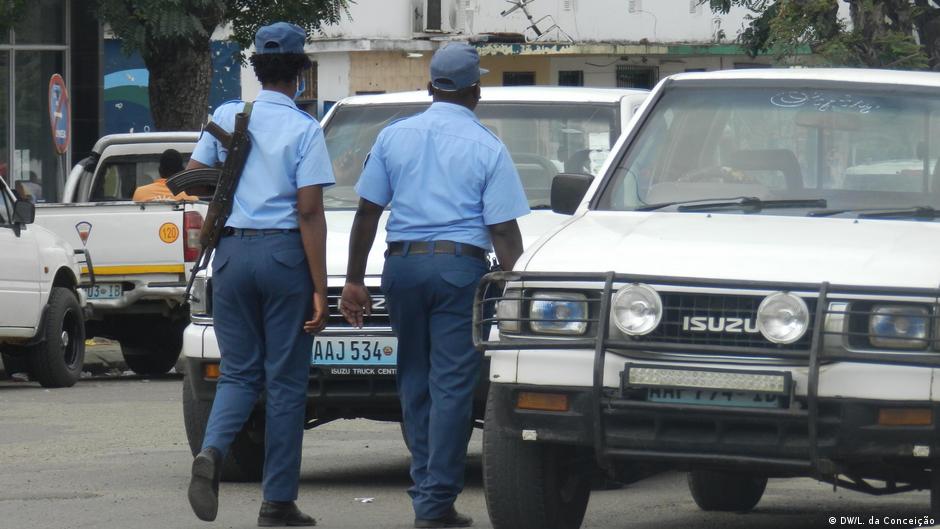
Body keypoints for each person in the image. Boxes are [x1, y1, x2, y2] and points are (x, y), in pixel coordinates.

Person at [340, 42, 528, 528]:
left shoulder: (394, 136)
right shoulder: (488, 145)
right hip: (457, 272)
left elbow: (366, 213)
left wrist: (355, 281)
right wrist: (520, 291)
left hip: (400, 269)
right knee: (451, 386)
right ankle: (434, 501)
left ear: (430, 88)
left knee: (415, 379)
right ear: (476, 91)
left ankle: (428, 489)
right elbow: (503, 230)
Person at [184, 21, 334, 527]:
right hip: (284, 258)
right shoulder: (305, 129)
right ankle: (278, 501)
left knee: (240, 372)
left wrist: (234, 187)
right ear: (300, 72)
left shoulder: (229, 114)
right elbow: (310, 211)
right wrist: (319, 286)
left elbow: (195, 180)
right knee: (287, 383)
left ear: (256, 67)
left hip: (230, 257)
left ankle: (212, 451)